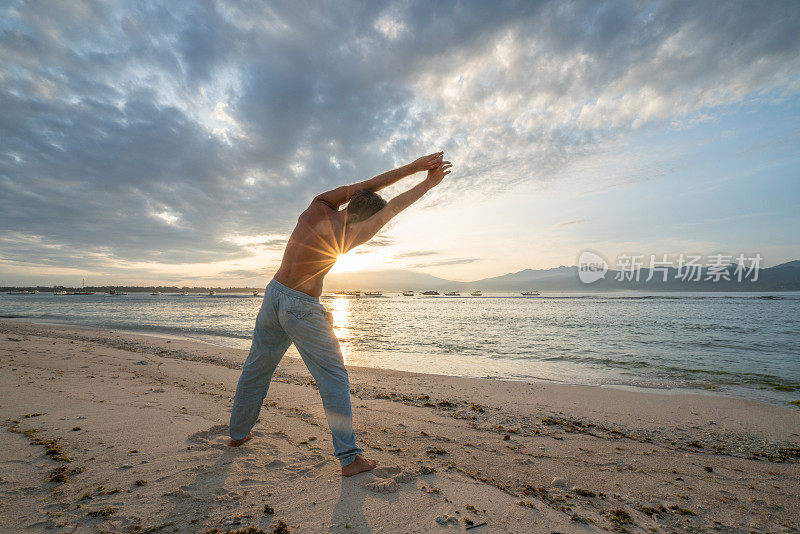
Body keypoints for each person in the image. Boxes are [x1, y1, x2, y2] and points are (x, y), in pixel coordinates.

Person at [228, 152, 453, 476]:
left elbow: (369, 185)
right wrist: (429, 183)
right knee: (334, 379)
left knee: (256, 369)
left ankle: (237, 435)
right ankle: (349, 458)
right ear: (364, 217)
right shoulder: (351, 235)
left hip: (273, 294)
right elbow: (393, 207)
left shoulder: (318, 205)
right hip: (300, 307)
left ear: (350, 200)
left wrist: (415, 167)